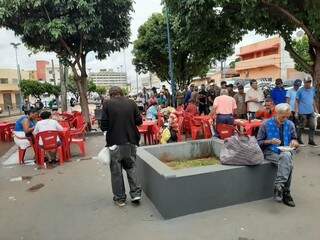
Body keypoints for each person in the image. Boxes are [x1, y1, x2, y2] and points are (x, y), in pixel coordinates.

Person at [100, 86, 142, 207]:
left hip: (114, 143)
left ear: (111, 94)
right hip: (130, 141)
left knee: (116, 172)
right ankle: (136, 194)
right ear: (121, 93)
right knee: (131, 168)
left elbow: (104, 126)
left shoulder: (107, 104)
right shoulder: (131, 102)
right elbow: (139, 121)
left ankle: (120, 198)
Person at [257, 103, 299, 207]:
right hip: (270, 152)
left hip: (286, 152)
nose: (285, 119)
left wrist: (294, 142)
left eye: (287, 116)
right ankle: (286, 193)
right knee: (289, 165)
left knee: (286, 156)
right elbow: (259, 142)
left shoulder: (290, 124)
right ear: (276, 113)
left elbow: (295, 138)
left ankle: (279, 186)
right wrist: (270, 141)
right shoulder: (265, 124)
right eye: (283, 116)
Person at [295, 78, 318, 146]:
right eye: (306, 82)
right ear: (304, 82)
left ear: (310, 82)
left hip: (311, 111)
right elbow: (296, 101)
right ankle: (298, 140)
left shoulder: (313, 89)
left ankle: (311, 141)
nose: (307, 83)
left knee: (312, 126)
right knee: (302, 126)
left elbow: (313, 99)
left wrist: (315, 109)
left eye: (308, 82)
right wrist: (296, 112)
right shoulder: (300, 90)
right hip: (302, 111)